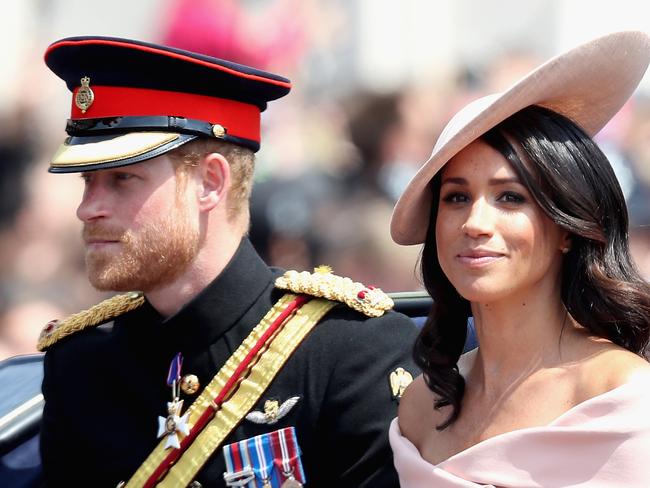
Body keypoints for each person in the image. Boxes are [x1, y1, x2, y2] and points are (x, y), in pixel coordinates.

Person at [37, 36, 419, 488]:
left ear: (210, 182)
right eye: (88, 181)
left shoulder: (350, 351)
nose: (88, 208)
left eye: (122, 179)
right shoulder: (80, 364)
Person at [389, 31, 650, 486]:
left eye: (510, 197)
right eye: (455, 198)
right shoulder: (419, 406)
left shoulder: (622, 395)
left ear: (567, 227)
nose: (475, 222)